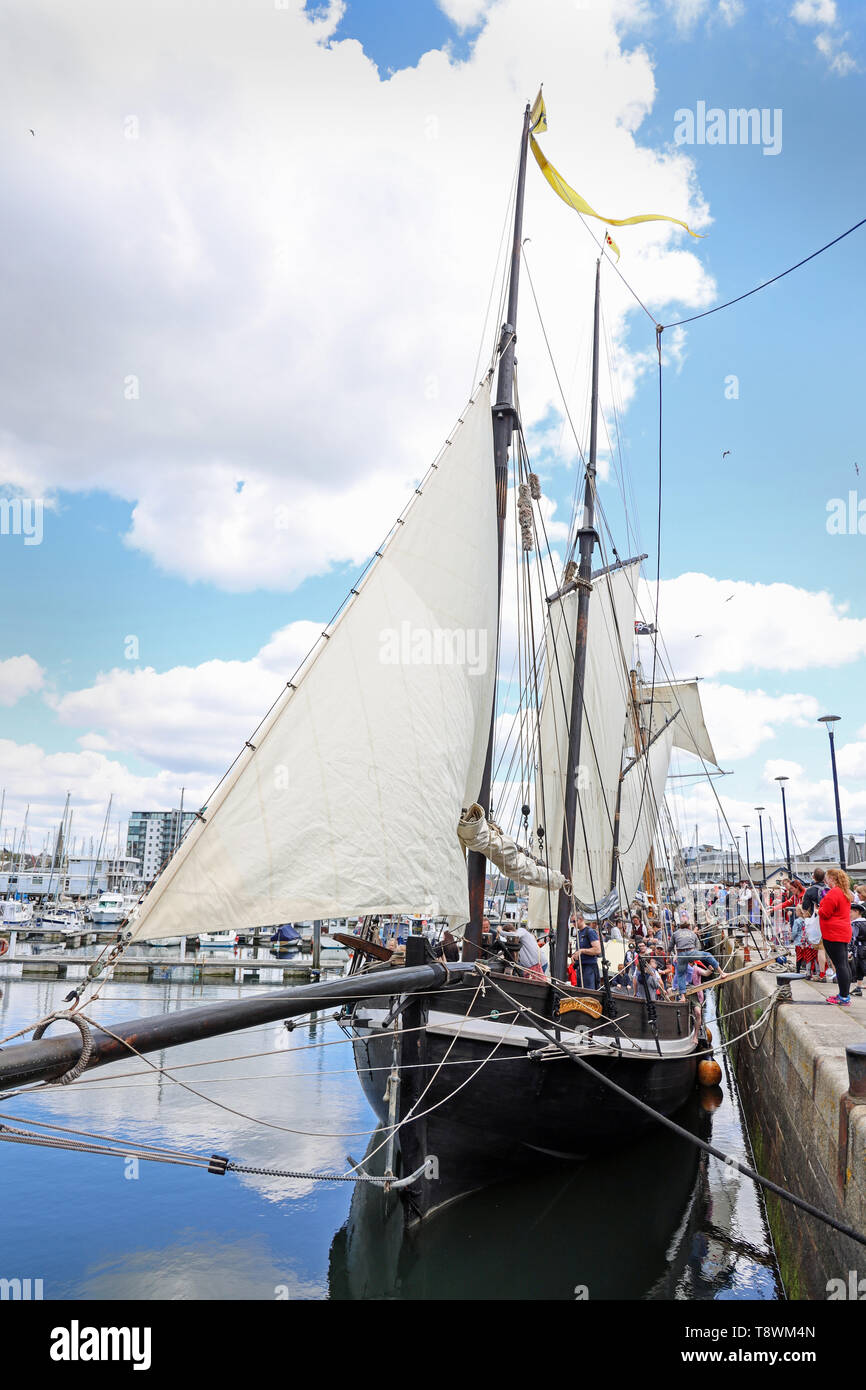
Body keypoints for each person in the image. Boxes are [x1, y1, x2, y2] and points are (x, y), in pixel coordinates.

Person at [818, 867, 853, 1006]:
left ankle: (844, 997)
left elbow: (825, 913)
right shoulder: (845, 892)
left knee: (840, 965)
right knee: (844, 964)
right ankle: (844, 994)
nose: (826, 881)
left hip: (833, 933)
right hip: (843, 931)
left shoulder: (834, 893)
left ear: (832, 878)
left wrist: (819, 908)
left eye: (827, 878)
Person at [671, 921, 726, 996]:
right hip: (690, 954)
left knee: (680, 974)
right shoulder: (692, 934)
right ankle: (722, 973)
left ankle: (682, 997)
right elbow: (698, 947)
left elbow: (672, 947)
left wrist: (710, 970)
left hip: (681, 956)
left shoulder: (676, 934)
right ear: (689, 927)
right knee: (708, 955)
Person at [571, 917, 601, 990]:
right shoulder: (579, 933)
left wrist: (582, 951)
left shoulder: (590, 932)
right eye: (572, 921)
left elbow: (597, 950)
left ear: (581, 919)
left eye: (575, 921)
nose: (573, 923)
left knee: (588, 994)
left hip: (589, 968)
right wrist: (574, 955)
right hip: (580, 968)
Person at [850, 903, 866, 997]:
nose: (849, 914)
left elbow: (853, 938)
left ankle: (858, 988)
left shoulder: (855, 924)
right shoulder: (864, 922)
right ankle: (858, 988)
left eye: (850, 912)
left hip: (860, 949)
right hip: (863, 947)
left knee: (862, 967)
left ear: (857, 912)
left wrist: (849, 950)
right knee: (860, 969)